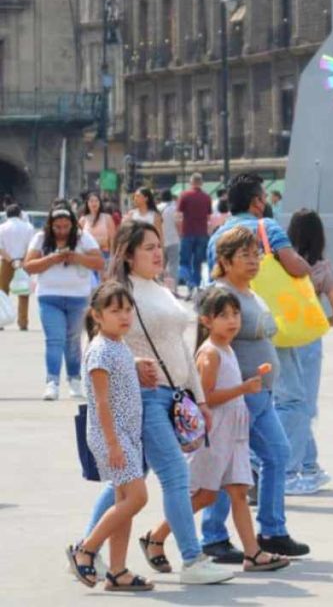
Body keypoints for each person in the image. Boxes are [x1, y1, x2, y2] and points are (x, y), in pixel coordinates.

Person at [84, 221, 232, 585]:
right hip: (146, 399)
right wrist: (132, 366)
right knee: (174, 476)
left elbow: (182, 346)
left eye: (158, 246)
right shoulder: (121, 293)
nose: (156, 252)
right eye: (147, 247)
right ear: (128, 254)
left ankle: (86, 548)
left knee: (129, 481)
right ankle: (193, 560)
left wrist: (199, 398)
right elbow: (97, 346)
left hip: (173, 395)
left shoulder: (162, 289)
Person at [143, 287, 290, 573]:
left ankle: (253, 553)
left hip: (234, 434)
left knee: (238, 491)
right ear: (206, 321)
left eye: (235, 314)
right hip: (215, 433)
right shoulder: (210, 353)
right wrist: (244, 388)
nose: (232, 320)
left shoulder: (227, 348)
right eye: (223, 315)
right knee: (205, 495)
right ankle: (155, 537)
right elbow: (205, 397)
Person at [201, 226, 312, 561]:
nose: (253, 261)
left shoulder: (250, 292)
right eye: (244, 255)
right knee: (226, 465)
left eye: (256, 254)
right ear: (224, 260)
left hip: (260, 394)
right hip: (237, 395)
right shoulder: (220, 294)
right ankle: (214, 537)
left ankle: (273, 531)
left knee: (277, 454)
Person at [67, 282, 153, 592]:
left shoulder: (118, 345)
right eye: (115, 310)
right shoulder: (101, 349)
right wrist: (114, 444)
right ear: (97, 316)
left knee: (124, 501)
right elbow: (100, 402)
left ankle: (118, 571)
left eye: (128, 309)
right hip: (112, 437)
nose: (124, 316)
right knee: (138, 498)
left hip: (126, 435)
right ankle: (86, 549)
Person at [282, 208, 333, 495]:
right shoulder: (321, 268)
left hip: (283, 335)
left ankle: (309, 464)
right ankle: (295, 469)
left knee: (288, 403)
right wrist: (323, 325)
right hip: (309, 338)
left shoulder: (280, 264)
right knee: (304, 406)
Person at [23, 203, 105, 400]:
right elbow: (29, 266)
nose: (61, 231)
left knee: (73, 341)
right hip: (49, 297)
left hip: (78, 298)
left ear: (72, 225)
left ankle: (74, 379)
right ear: (50, 225)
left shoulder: (83, 237)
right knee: (55, 339)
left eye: (66, 227)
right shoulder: (41, 238)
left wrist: (76, 257)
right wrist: (53, 259)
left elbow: (99, 262)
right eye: (57, 227)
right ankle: (52, 382)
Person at [0, 203, 35, 331]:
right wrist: (21, 261)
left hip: (6, 261)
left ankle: (1, 321)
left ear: (7, 214)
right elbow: (31, 247)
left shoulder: (2, 227)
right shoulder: (28, 227)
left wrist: (11, 260)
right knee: (24, 291)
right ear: (20, 214)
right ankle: (23, 322)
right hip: (23, 261)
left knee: (2, 291)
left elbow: (0, 248)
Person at [177, 173, 212, 297]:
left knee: (185, 261)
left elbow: (179, 216)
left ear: (191, 183)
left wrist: (179, 231)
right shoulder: (207, 197)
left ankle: (189, 285)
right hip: (202, 233)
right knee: (197, 263)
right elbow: (209, 217)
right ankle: (196, 285)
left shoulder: (184, 196)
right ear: (201, 183)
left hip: (187, 232)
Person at [79, 191, 116, 260]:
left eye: (96, 201)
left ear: (100, 203)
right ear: (87, 203)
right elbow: (79, 240)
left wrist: (112, 257)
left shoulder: (107, 218)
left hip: (105, 255)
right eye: (91, 201)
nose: (94, 203)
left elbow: (112, 239)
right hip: (88, 256)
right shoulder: (83, 220)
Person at [158, 190, 181, 293]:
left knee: (159, 266)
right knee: (173, 265)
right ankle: (172, 289)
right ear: (171, 197)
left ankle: (159, 288)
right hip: (173, 240)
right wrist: (180, 235)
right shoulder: (174, 208)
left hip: (160, 242)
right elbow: (178, 223)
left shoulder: (157, 208)